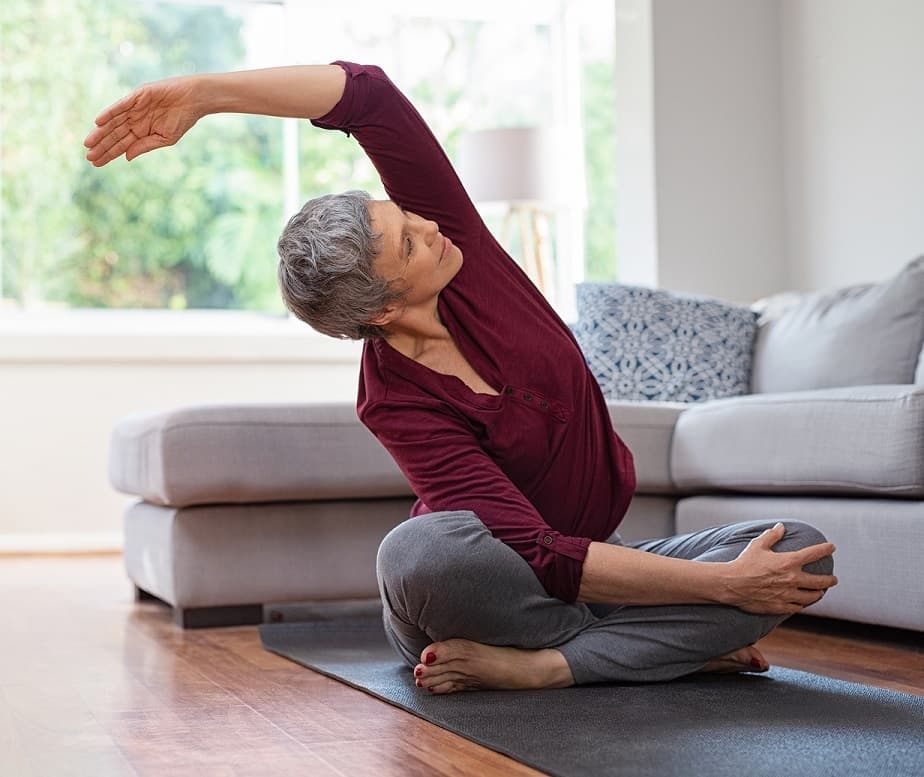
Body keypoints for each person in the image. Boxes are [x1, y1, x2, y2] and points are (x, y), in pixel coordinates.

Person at [84, 60, 838, 695]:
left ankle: (555, 663)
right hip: (492, 589)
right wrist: (721, 591)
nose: (433, 227)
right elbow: (537, 552)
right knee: (416, 554)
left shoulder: (463, 249)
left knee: (800, 548)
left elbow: (368, 96)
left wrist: (206, 95)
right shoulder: (391, 399)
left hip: (579, 578)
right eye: (409, 242)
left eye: (411, 218)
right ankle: (641, 648)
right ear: (379, 307)